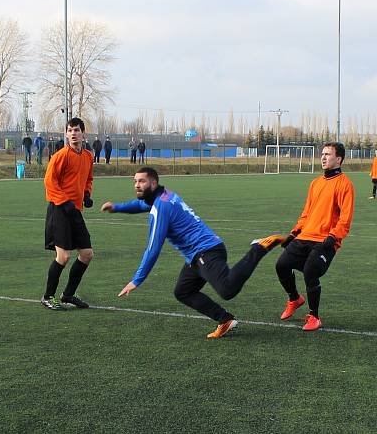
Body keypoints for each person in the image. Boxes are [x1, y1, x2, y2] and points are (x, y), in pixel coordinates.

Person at [102, 166, 284, 338]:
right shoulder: (165, 196)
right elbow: (141, 205)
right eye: (135, 181)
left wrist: (137, 279)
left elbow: (153, 248)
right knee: (183, 291)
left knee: (227, 289)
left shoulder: (161, 207)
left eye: (141, 181)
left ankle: (259, 247)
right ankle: (225, 319)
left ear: (153, 183)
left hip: (207, 251)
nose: (136, 185)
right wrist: (117, 207)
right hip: (197, 255)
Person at [272, 142, 354, 331]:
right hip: (305, 236)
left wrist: (334, 236)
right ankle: (294, 299)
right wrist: (294, 233)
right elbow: (307, 213)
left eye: (328, 154)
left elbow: (345, 218)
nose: (323, 157)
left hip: (326, 240)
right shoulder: (315, 183)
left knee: (310, 272)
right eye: (322, 154)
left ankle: (314, 317)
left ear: (338, 159)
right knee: (281, 265)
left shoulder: (345, 184)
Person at [40, 117, 94, 311]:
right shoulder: (61, 155)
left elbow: (88, 178)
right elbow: (49, 182)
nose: (73, 133)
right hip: (59, 210)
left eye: (77, 130)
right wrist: (65, 202)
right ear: (66, 134)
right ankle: (48, 297)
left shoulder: (88, 156)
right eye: (70, 130)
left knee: (87, 254)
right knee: (63, 256)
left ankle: (68, 294)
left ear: (83, 134)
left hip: (75, 211)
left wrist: (87, 194)